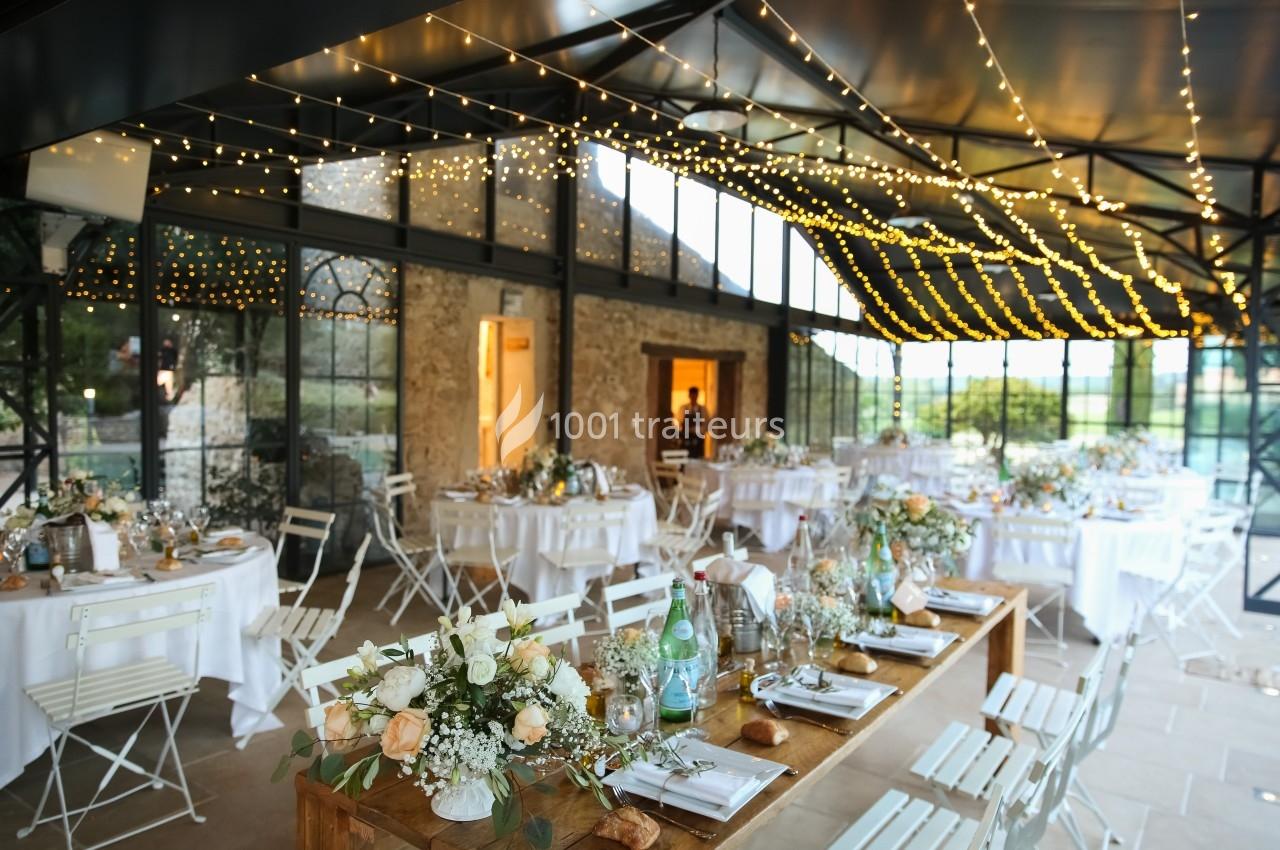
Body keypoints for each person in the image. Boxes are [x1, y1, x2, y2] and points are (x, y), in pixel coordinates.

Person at [678, 387, 708, 459]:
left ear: (697, 396)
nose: (693, 397)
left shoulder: (703, 409)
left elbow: (706, 425)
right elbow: (680, 422)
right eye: (692, 395)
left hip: (698, 439)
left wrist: (696, 430)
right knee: (685, 458)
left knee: (698, 458)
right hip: (686, 438)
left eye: (695, 395)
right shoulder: (683, 408)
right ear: (689, 395)